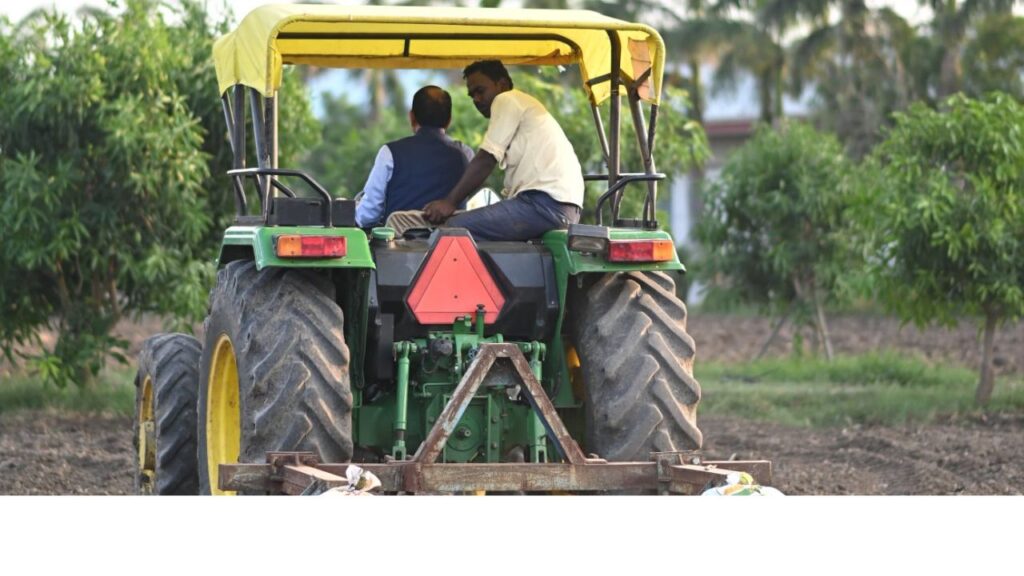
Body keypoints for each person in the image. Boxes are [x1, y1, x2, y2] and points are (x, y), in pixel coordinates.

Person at [421, 60, 584, 241]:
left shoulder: (506, 99)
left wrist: (449, 202)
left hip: (544, 204)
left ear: (502, 84)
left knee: (453, 230)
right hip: (562, 208)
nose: (476, 99)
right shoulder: (523, 105)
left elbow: (486, 159)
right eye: (472, 95)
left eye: (480, 91)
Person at [354, 85, 473, 229]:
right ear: (449, 120)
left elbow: (368, 214)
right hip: (452, 241)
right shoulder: (466, 154)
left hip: (398, 242)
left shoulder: (389, 153)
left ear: (412, 117)